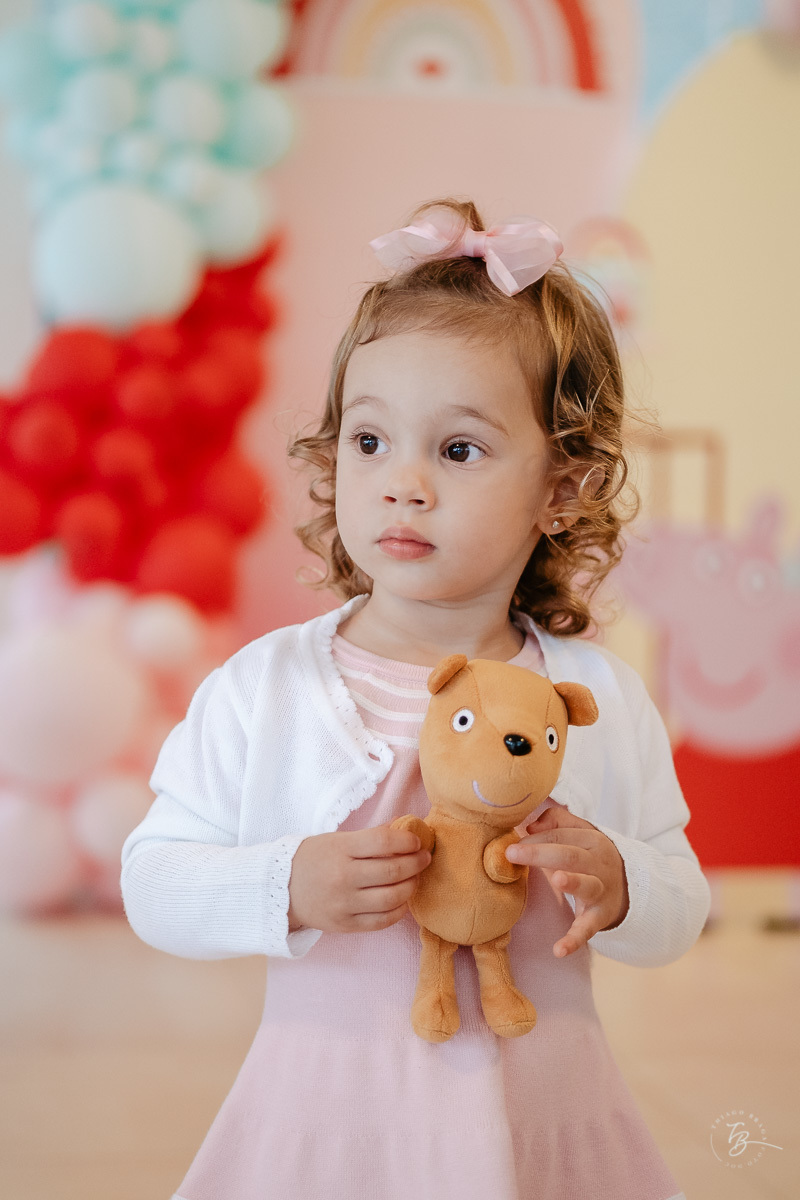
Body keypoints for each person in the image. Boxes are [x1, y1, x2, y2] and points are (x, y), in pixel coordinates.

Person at [120, 197, 710, 1200]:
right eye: (367, 442)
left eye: (458, 450)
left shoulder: (590, 697)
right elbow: (153, 882)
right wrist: (286, 885)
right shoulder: (270, 689)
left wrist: (620, 884)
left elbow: (682, 900)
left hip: (538, 1122)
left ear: (559, 488)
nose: (402, 484)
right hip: (330, 1127)